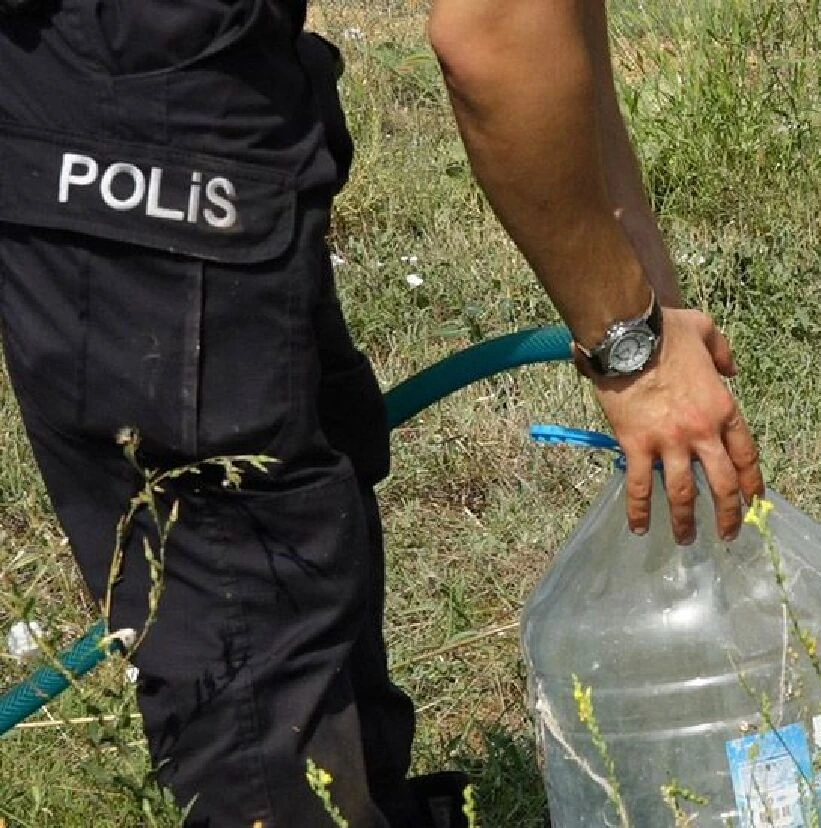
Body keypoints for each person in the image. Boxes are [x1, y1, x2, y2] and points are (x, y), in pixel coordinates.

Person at [0, 1, 764, 826]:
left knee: (305, 538)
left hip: (213, 95)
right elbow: (497, 34)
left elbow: (557, 31)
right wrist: (635, 355)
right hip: (123, 128)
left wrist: (661, 324)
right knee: (247, 641)